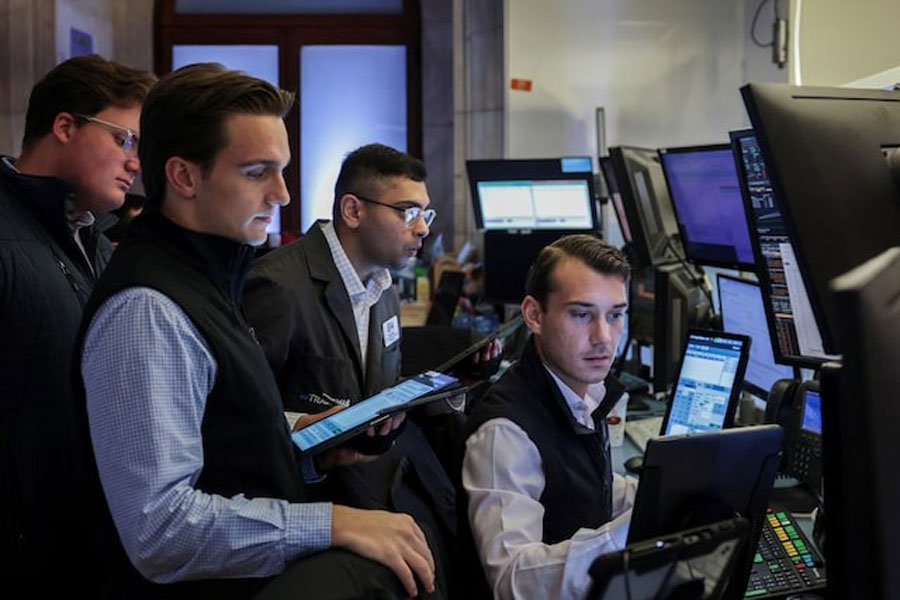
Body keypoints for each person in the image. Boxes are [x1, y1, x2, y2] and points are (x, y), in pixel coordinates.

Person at [76, 64, 436, 599]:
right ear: (184, 177)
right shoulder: (147, 309)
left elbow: (216, 429)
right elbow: (160, 529)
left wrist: (307, 441)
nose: (283, 195)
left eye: (283, 170)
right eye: (256, 172)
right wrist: (332, 522)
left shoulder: (208, 277)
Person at [243, 143, 484, 596]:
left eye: (425, 215)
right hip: (319, 502)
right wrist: (306, 425)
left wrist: (450, 385)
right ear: (352, 210)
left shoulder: (382, 281)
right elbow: (242, 417)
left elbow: (379, 385)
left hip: (385, 481)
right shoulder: (276, 286)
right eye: (407, 211)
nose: (420, 230)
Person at [0, 54, 155, 592]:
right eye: (124, 140)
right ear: (64, 126)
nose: (136, 162)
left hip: (86, 538)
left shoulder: (100, 243)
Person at [461, 234, 637, 599]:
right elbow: (513, 579)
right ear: (534, 315)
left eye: (615, 315)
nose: (604, 337)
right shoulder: (505, 433)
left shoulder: (582, 391)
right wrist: (630, 532)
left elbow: (582, 486)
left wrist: (667, 493)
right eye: (581, 314)